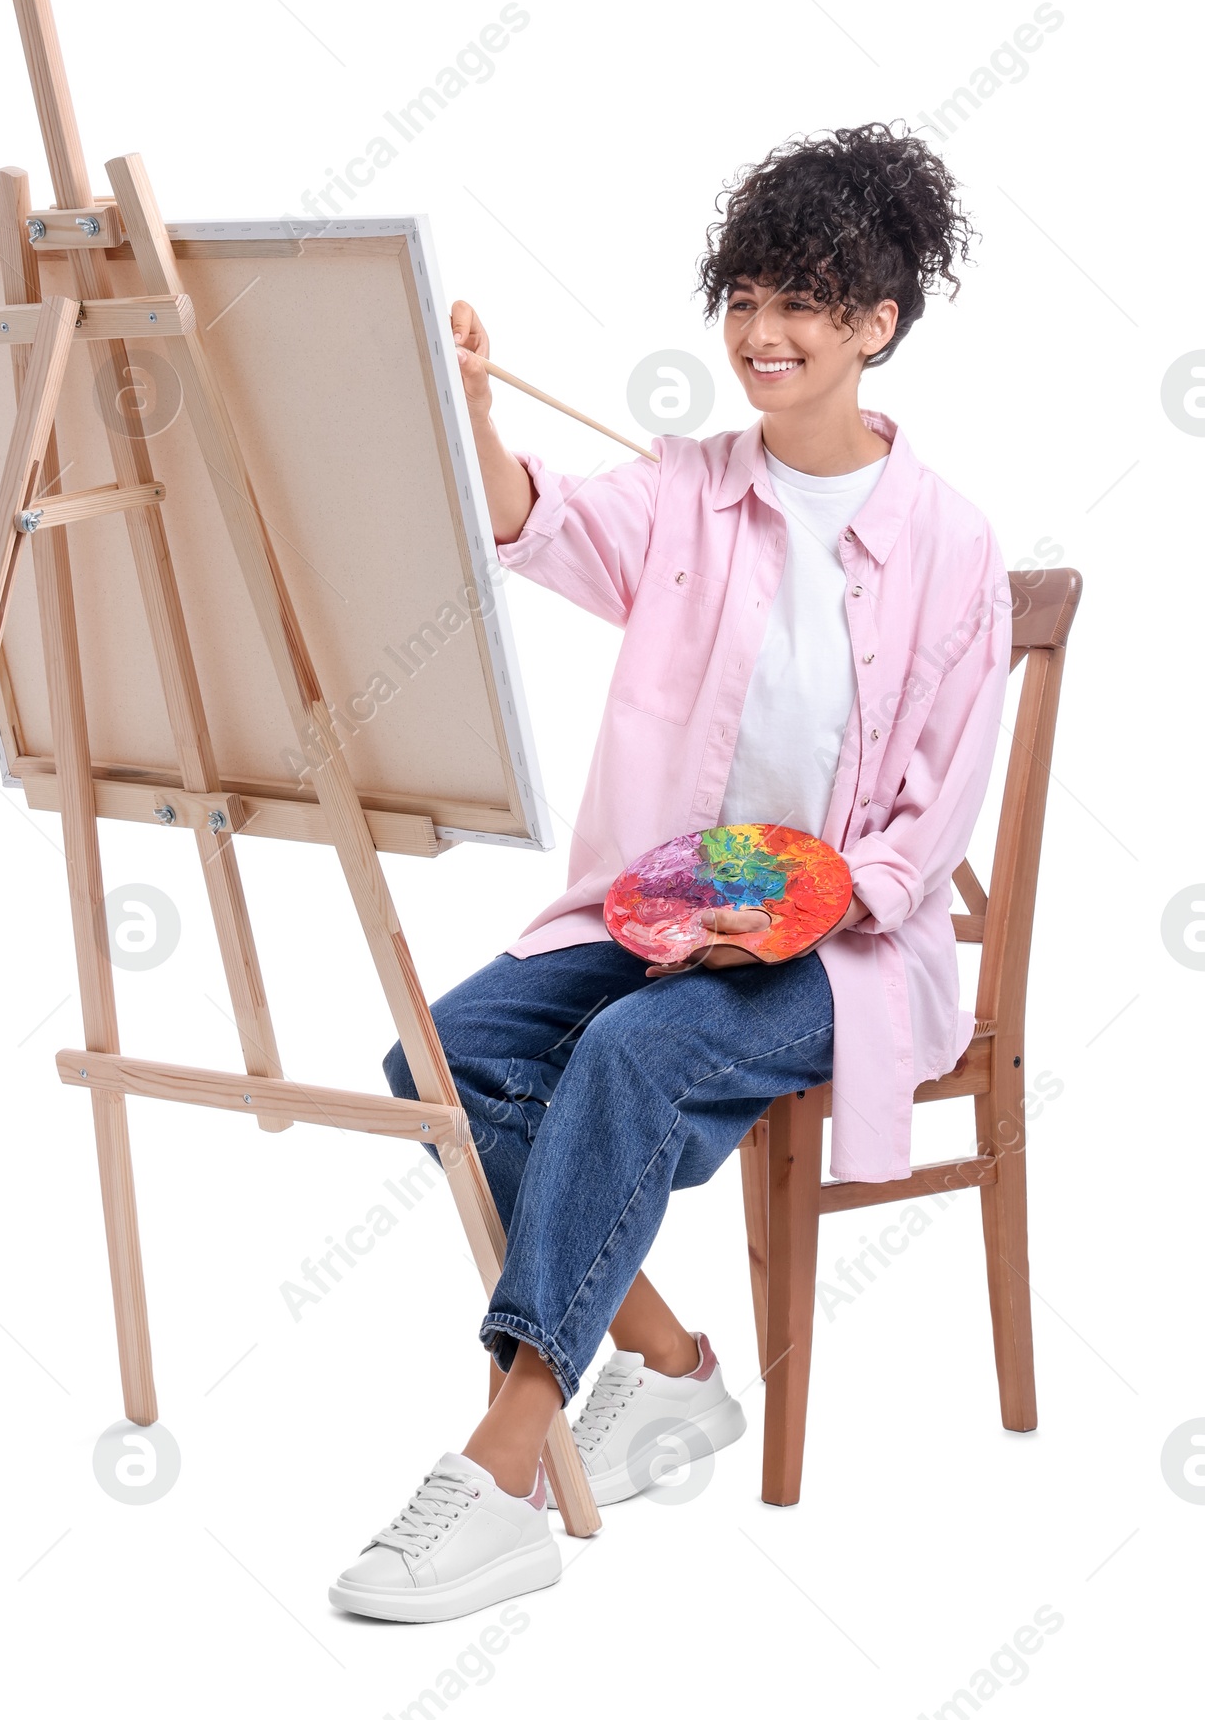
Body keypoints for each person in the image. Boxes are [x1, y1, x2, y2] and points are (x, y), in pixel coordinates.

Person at [328, 123, 1014, 1624]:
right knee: (436, 1052)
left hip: (845, 954)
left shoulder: (954, 546)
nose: (761, 337)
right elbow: (541, 520)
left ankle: (507, 1459)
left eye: (804, 306)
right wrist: (471, 413)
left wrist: (789, 920)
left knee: (633, 1053)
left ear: (877, 324)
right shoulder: (692, 491)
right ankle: (670, 1366)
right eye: (746, 299)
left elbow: (929, 826)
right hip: (662, 911)